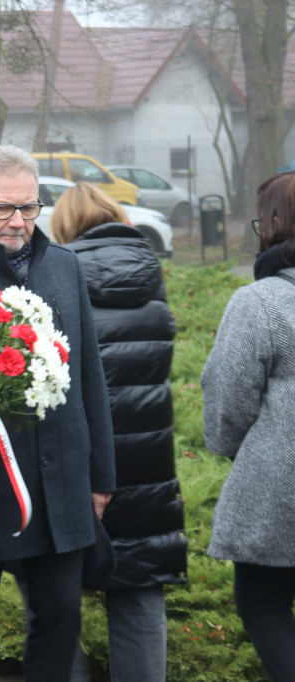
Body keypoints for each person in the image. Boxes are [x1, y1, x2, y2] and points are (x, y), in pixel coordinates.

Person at [0, 145, 115, 681]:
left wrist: (101, 477)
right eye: (2, 208)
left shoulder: (63, 266)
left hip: (61, 480)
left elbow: (90, 376)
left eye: (29, 207)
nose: (18, 221)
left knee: (59, 619)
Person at [49, 182, 186, 681]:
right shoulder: (151, 277)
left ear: (63, 228)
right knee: (140, 593)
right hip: (149, 463)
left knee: (53, 600)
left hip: (79, 464)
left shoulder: (56, 278)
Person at [201, 170, 295, 681]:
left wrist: (237, 449)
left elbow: (228, 400)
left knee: (264, 606)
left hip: (281, 491)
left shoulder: (260, 302)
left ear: (276, 223)